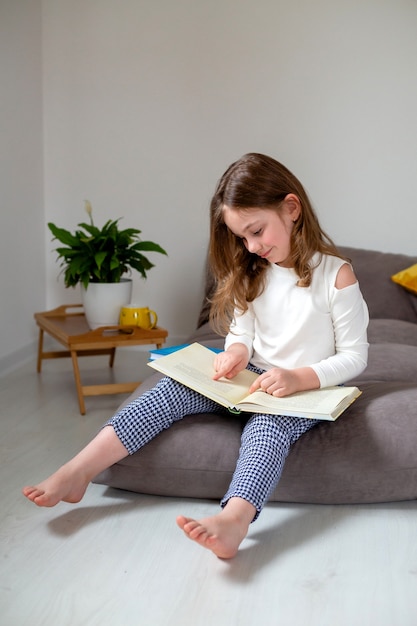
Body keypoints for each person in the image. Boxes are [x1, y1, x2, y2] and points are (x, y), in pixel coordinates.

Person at [23, 153, 369, 559]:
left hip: (304, 388)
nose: (253, 246)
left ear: (291, 209)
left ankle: (234, 520)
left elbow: (354, 356)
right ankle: (78, 471)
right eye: (243, 238)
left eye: (257, 231)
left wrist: (298, 378)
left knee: (266, 431)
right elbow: (243, 332)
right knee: (170, 389)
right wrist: (236, 352)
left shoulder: (336, 275)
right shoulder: (252, 271)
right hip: (253, 376)